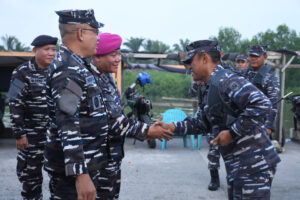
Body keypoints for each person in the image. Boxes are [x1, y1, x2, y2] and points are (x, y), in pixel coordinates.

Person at [45, 9, 172, 200]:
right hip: (75, 173)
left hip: (94, 162)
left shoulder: (79, 66)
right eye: (95, 32)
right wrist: (80, 174)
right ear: (80, 33)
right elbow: (68, 125)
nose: (97, 38)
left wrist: (146, 129)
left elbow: (105, 116)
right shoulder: (67, 69)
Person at [157, 40, 281, 199]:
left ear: (204, 58)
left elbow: (262, 104)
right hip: (238, 164)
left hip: (253, 164)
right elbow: (204, 123)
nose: (188, 67)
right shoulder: (209, 86)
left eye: (190, 61)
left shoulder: (227, 79)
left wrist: (232, 132)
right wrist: (172, 126)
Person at [8, 35, 57, 200]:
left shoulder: (58, 71)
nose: (51, 53)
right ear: (35, 50)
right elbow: (15, 103)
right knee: (30, 178)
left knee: (60, 178)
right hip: (31, 135)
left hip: (55, 135)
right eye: (46, 49)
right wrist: (19, 133)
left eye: (53, 49)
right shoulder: (22, 72)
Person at [243, 45, 280, 137]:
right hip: (242, 124)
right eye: (251, 56)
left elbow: (273, 104)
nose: (253, 59)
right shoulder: (242, 74)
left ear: (265, 57)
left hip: (260, 125)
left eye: (257, 56)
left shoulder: (270, 78)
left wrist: (268, 126)